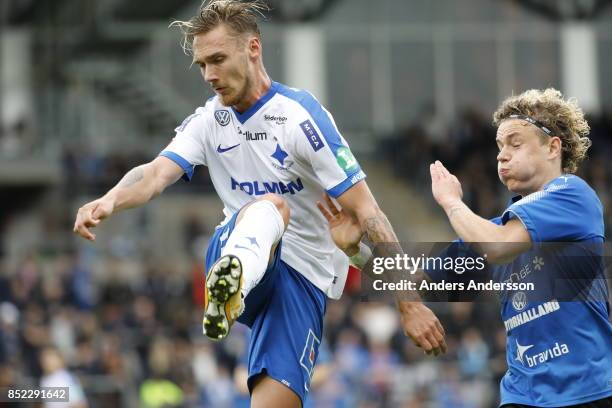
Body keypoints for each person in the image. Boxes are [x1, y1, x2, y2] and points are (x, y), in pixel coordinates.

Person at [72, 1, 445, 406]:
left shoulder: (302, 120)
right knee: (270, 207)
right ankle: (229, 284)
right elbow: (155, 174)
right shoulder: (208, 122)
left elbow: (369, 211)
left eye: (217, 59)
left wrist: (410, 304)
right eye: (201, 65)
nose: (210, 75)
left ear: (253, 48)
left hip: (302, 281)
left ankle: (231, 290)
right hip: (237, 247)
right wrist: (110, 199)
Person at [322, 88, 612, 407]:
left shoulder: (573, 195)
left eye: (515, 143)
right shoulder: (491, 228)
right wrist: (355, 252)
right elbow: (415, 283)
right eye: (500, 146)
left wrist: (450, 202)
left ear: (552, 147)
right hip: (522, 394)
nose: (502, 155)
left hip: (586, 391)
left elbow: (498, 248)